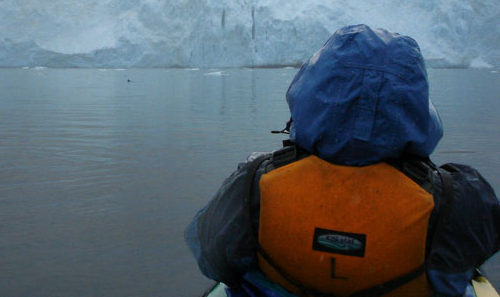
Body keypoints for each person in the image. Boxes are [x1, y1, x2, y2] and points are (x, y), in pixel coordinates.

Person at [185, 25, 500, 297]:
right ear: (415, 106)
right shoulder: (458, 201)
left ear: (312, 92)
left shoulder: (253, 186)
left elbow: (210, 255)